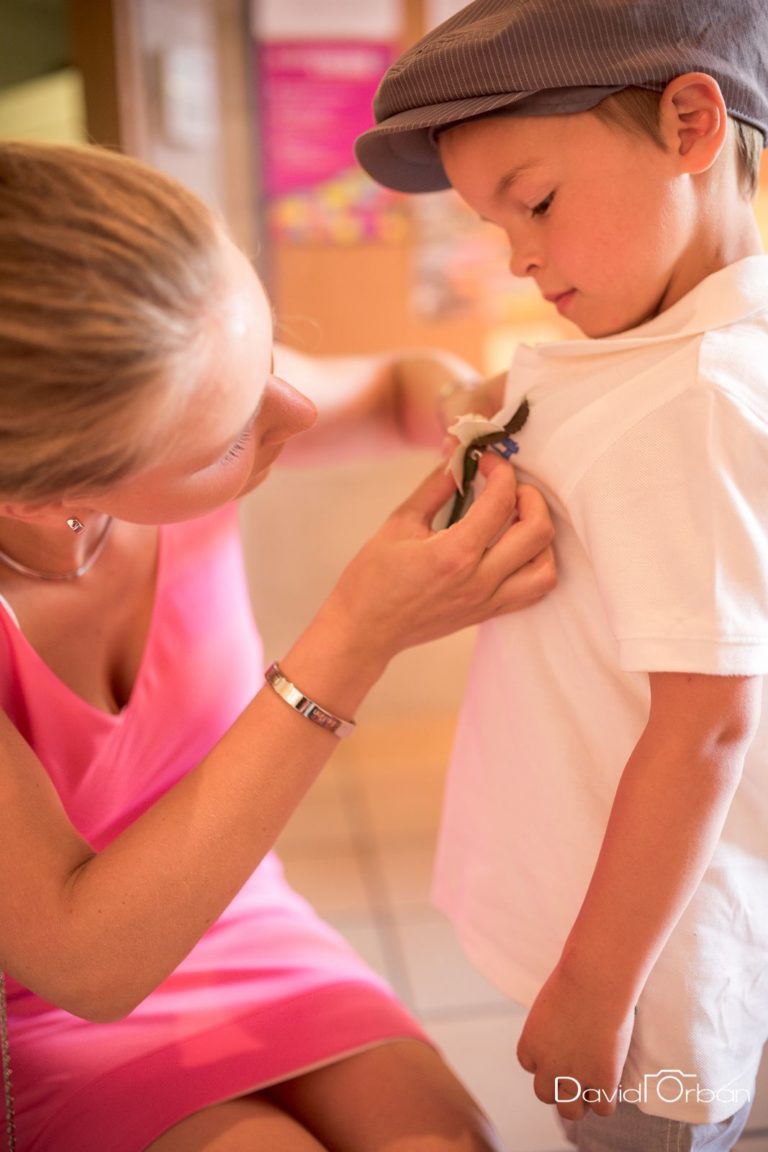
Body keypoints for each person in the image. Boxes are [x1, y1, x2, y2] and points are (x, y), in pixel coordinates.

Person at [0, 139, 557, 1152]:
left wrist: (463, 413)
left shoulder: (186, 376)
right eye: (228, 438)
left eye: (267, 357)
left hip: (250, 926)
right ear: (48, 498)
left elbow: (393, 390)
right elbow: (88, 966)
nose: (292, 412)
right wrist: (358, 635)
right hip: (49, 1020)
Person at [355, 1, 768, 1149]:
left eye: (534, 202)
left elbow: (706, 727)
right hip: (601, 906)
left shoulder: (696, 399)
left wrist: (594, 989)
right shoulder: (664, 354)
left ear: (690, 124)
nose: (520, 255)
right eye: (494, 224)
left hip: (638, 981)